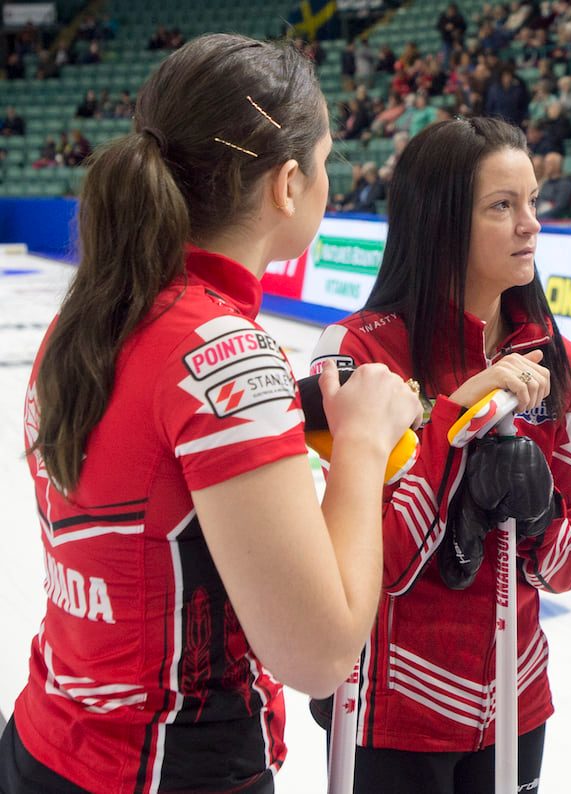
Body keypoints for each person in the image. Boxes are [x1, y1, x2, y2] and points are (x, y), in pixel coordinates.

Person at [0, 33, 422, 793]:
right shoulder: (227, 353)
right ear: (287, 185)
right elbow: (319, 654)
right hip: (171, 770)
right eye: (325, 161)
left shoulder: (89, 316)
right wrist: (363, 445)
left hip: (44, 744)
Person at [308, 116, 571, 794]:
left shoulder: (556, 361)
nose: (530, 224)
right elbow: (374, 568)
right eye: (502, 206)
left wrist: (537, 518)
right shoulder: (355, 354)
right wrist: (453, 423)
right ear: (439, 221)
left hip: (518, 703)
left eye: (532, 202)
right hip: (391, 713)